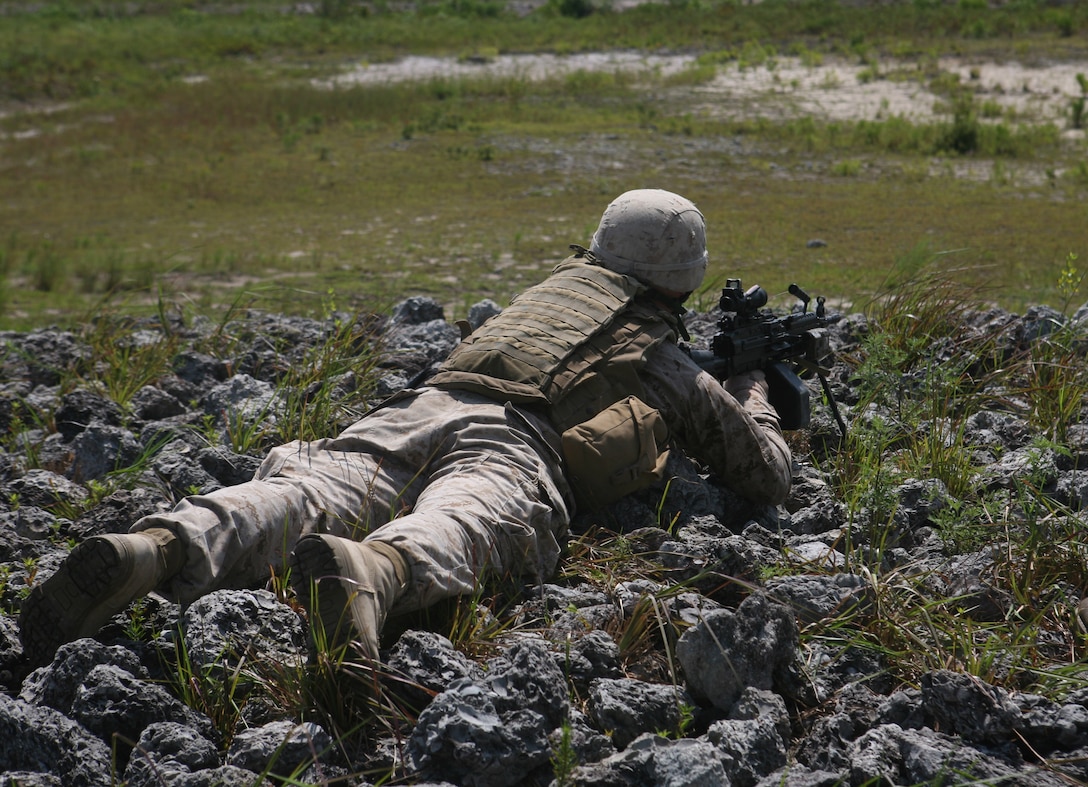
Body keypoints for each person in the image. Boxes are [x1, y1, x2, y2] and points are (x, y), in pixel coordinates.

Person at [18, 189, 792, 668]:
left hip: (425, 403)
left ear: (598, 247)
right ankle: (376, 571)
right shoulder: (658, 353)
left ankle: (159, 545)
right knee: (473, 519)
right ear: (683, 278)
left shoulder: (544, 295)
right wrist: (752, 388)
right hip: (515, 440)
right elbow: (762, 472)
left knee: (307, 488)